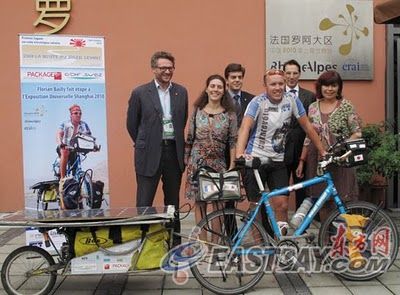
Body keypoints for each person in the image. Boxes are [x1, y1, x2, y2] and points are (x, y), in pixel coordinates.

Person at [236, 69, 326, 236]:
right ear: (265, 86)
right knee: (256, 206)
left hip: (277, 160)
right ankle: (259, 248)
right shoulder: (257, 102)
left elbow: (307, 126)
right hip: (255, 159)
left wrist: (323, 150)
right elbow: (245, 128)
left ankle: (280, 243)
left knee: (282, 204)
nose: (277, 87)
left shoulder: (292, 100)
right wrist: (240, 154)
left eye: (280, 83)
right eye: (273, 84)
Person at [126, 51, 188, 244]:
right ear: (154, 69)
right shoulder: (140, 93)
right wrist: (146, 143)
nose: (167, 71)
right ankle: (141, 242)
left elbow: (182, 120)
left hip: (172, 152)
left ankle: (174, 242)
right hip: (148, 153)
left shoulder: (181, 91)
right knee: (144, 202)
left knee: (172, 202)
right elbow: (131, 124)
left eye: (170, 67)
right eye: (163, 68)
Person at [296, 70, 362, 220]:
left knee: (342, 200)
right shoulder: (313, 107)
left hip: (340, 160)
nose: (329, 89)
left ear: (339, 87)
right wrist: (302, 160)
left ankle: (341, 239)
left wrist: (340, 148)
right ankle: (325, 239)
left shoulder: (346, 106)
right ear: (320, 87)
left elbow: (357, 133)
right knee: (321, 200)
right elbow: (308, 136)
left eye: (333, 85)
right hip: (317, 160)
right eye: (326, 85)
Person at [184, 74, 237, 229]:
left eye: (219, 87)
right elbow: (189, 137)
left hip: (218, 163)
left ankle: (215, 244)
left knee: (218, 204)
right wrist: (187, 161)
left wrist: (232, 166)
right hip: (197, 162)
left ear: (224, 90)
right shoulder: (197, 110)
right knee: (200, 202)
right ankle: (203, 243)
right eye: (212, 86)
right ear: (206, 89)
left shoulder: (230, 114)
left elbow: (233, 141)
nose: (216, 89)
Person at [283, 59, 316, 210]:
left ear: (299, 74)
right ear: (284, 74)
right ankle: (281, 225)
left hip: (302, 149)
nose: (291, 76)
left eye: (294, 73)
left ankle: (302, 227)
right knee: (281, 189)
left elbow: (312, 124)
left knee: (302, 188)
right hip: (280, 150)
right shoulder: (276, 94)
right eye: (288, 73)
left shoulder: (310, 96)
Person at [56, 104, 92, 179]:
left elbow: (89, 137)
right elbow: (59, 134)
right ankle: (62, 179)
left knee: (75, 170)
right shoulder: (65, 124)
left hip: (76, 149)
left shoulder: (84, 125)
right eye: (76, 113)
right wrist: (60, 143)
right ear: (71, 115)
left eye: (80, 113)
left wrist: (94, 146)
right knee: (65, 151)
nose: (78, 115)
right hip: (65, 147)